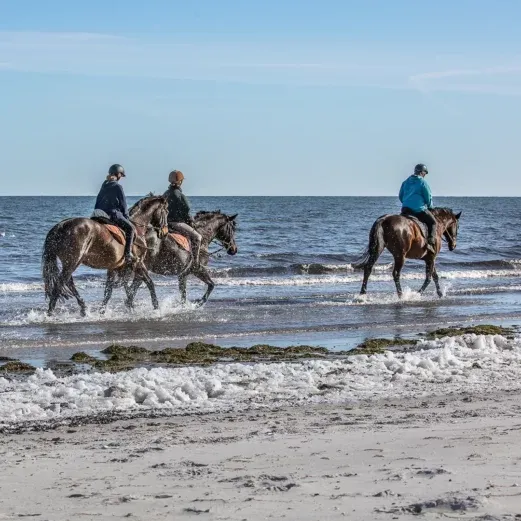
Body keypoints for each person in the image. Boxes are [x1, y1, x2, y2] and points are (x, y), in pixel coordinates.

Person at [93, 164, 135, 265]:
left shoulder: (104, 185)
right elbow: (123, 204)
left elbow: (98, 200)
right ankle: (128, 254)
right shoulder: (118, 186)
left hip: (98, 213)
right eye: (121, 175)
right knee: (131, 229)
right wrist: (126, 217)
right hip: (112, 214)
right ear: (118, 174)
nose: (121, 177)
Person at [164, 170, 202, 268]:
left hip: (166, 223)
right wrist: (191, 221)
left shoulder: (165, 193)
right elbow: (186, 210)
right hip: (177, 223)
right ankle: (195, 264)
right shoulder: (180, 195)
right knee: (198, 237)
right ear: (180, 182)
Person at [399, 163, 437, 253]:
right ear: (422, 172)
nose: (425, 175)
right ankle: (430, 244)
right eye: (425, 173)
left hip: (405, 209)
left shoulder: (405, 182)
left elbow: (401, 196)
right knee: (433, 223)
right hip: (418, 210)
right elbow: (428, 197)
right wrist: (430, 206)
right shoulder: (423, 182)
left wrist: (407, 203)